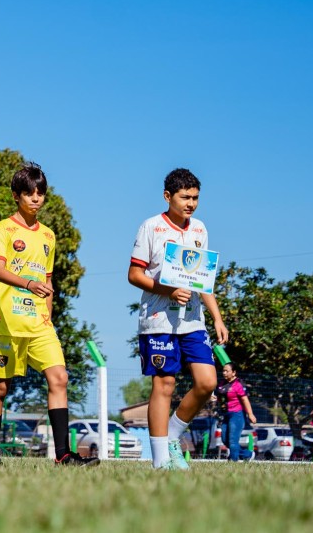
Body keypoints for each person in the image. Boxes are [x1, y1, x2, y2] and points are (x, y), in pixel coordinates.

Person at [0, 163, 96, 467]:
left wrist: (48, 314)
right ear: (16, 195)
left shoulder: (48, 236)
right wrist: (29, 284)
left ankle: (63, 455)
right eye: (29, 193)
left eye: (40, 193)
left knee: (60, 378)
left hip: (39, 324)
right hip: (7, 322)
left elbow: (48, 280)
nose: (36, 198)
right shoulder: (3, 229)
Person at [128, 168, 228, 470]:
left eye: (195, 197)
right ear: (167, 196)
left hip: (193, 322)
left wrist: (217, 317)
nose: (191, 203)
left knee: (207, 382)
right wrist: (168, 291)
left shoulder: (199, 229)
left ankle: (172, 434)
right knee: (165, 384)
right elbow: (134, 274)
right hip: (158, 319)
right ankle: (160, 461)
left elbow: (202, 280)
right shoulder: (151, 227)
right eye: (185, 197)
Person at [217, 363, 256, 461]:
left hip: (237, 415)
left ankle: (233, 461)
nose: (224, 373)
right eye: (223, 371)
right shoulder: (221, 383)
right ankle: (247, 454)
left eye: (227, 371)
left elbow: (245, 400)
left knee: (233, 441)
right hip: (226, 415)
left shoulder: (238, 384)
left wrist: (250, 414)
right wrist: (214, 398)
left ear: (234, 373)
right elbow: (220, 397)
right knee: (225, 440)